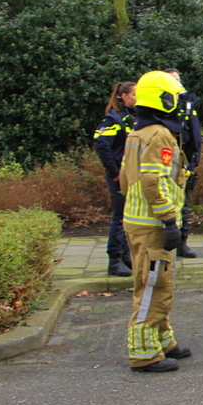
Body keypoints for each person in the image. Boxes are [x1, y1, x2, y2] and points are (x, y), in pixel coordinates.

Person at [120, 70, 191, 372]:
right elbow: (152, 179)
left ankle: (163, 340)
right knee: (153, 286)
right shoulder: (160, 134)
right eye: (174, 97)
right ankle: (143, 353)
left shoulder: (138, 132)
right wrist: (168, 219)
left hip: (138, 221)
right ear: (162, 100)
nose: (178, 103)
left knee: (156, 282)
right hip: (152, 225)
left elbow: (126, 179)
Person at [93, 81, 136, 277]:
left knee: (130, 218)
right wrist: (115, 172)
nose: (138, 98)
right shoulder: (113, 119)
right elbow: (101, 145)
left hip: (133, 175)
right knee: (120, 218)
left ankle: (127, 255)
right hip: (120, 176)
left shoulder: (133, 118)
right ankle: (115, 259)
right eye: (135, 94)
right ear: (123, 96)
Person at [163, 68, 202, 258]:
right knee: (167, 203)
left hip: (185, 161)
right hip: (166, 161)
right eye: (172, 80)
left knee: (183, 205)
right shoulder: (162, 106)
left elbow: (194, 132)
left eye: (178, 80)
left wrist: (195, 159)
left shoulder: (187, 103)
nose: (177, 84)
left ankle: (181, 242)